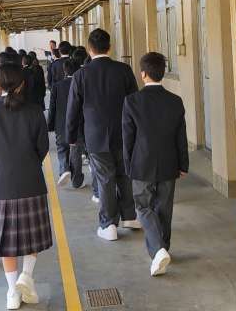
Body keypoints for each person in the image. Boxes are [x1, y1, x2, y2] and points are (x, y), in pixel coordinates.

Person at [0, 64, 52, 310]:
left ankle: (12, 292)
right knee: (32, 235)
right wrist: (29, 162)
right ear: (22, 84)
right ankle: (26, 277)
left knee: (6, 240)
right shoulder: (34, 112)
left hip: (0, 185)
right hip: (31, 181)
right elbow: (42, 148)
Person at [66, 28, 140, 241]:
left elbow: (73, 110)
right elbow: (134, 102)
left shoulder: (81, 75)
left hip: (95, 136)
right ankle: (129, 216)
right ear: (110, 47)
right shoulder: (124, 70)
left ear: (89, 49)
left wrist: (72, 137)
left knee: (105, 179)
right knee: (124, 173)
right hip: (124, 133)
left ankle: (108, 225)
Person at [122, 52, 189, 277]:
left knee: (143, 207)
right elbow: (181, 136)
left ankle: (159, 251)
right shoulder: (175, 101)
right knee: (164, 208)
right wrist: (183, 164)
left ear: (143, 74)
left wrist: (128, 165)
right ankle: (163, 249)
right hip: (169, 162)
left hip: (141, 162)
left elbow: (128, 138)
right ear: (163, 72)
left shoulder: (132, 101)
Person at [48, 59, 85, 189]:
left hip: (61, 123)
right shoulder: (81, 84)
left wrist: (50, 124)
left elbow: (52, 107)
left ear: (65, 70)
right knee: (76, 151)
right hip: (78, 123)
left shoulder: (57, 86)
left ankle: (64, 169)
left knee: (62, 147)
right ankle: (76, 181)